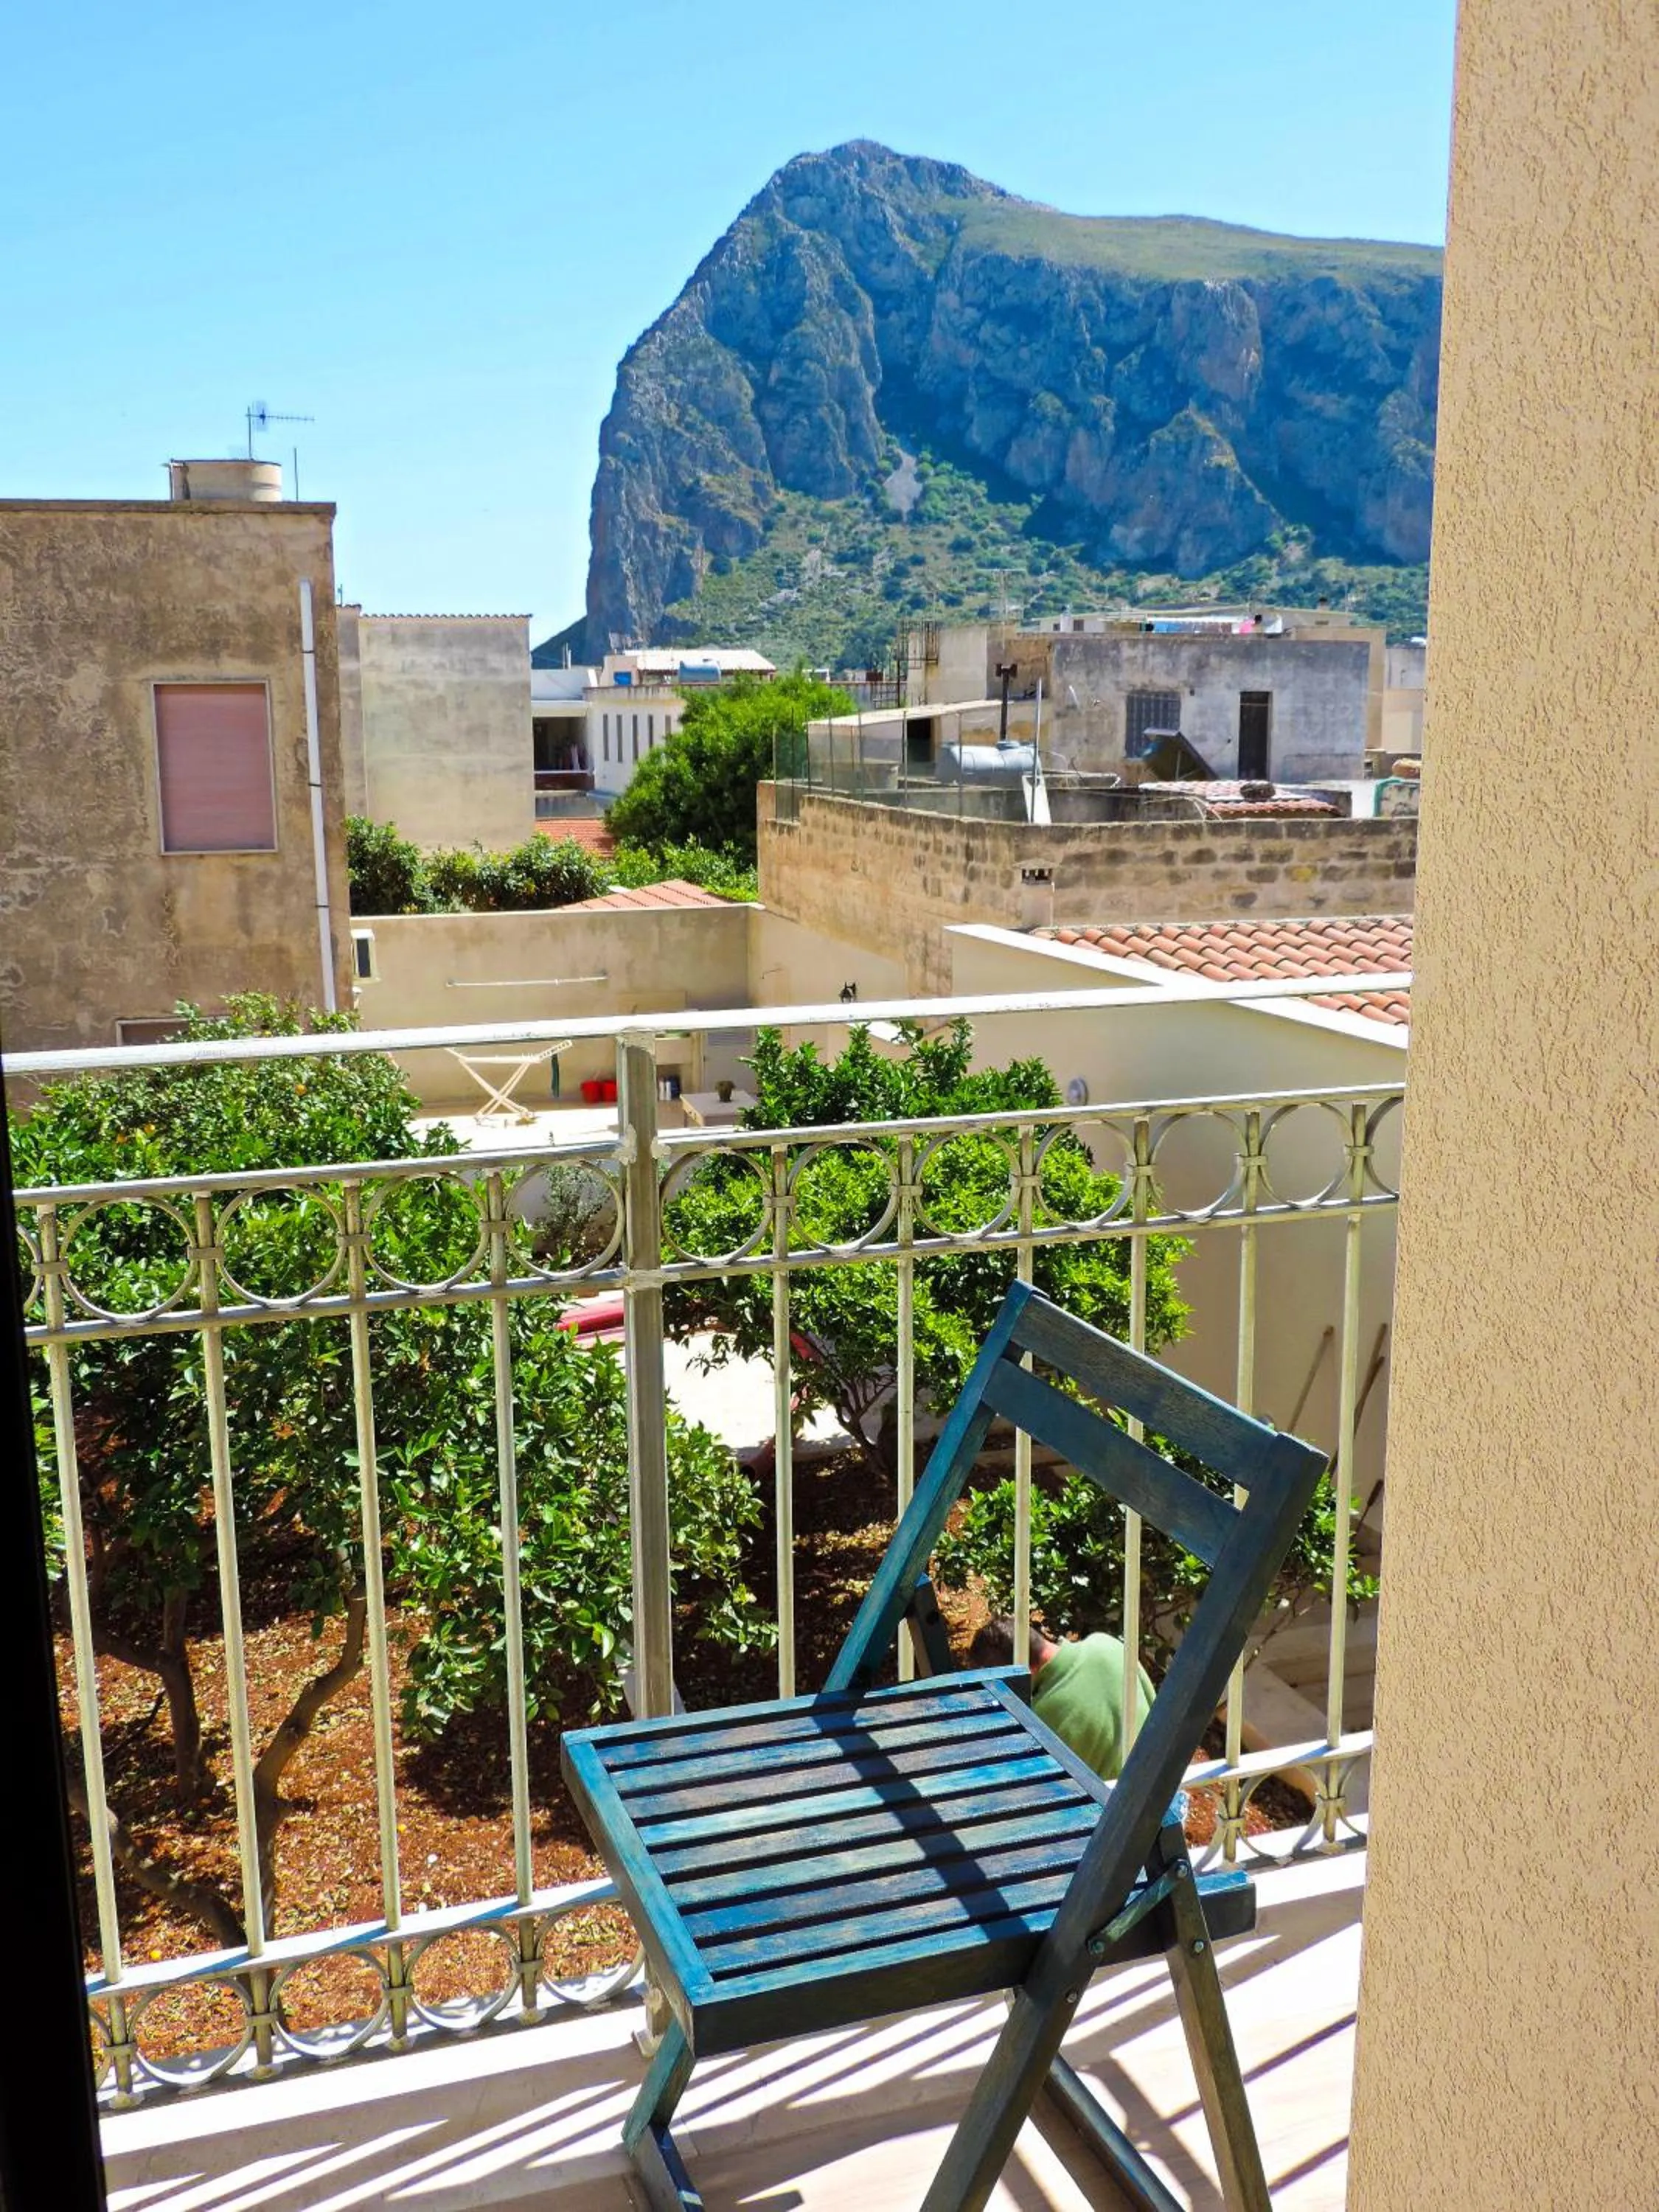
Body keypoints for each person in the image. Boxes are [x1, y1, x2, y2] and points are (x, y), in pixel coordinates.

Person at [968, 1615, 1155, 1783]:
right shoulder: (1108, 1645)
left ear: (1022, 1671)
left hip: (1114, 1813)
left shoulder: (1040, 1720)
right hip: (1163, 1790)